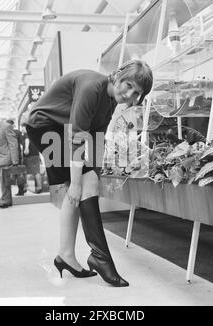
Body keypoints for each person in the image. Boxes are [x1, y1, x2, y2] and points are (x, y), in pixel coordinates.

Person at [26, 60, 153, 287]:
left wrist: (94, 171)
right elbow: (77, 135)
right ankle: (99, 257)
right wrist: (76, 182)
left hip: (63, 129)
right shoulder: (91, 88)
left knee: (89, 182)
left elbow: (97, 134)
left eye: (137, 92)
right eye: (129, 85)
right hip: (45, 125)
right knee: (77, 187)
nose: (130, 94)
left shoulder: (111, 99)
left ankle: (67, 255)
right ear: (118, 75)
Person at [0, 108, 19, 208]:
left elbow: (13, 143)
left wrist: (15, 160)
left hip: (6, 157)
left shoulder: (6, 126)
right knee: (3, 180)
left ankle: (5, 200)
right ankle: (7, 200)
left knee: (5, 181)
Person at [6, 119, 26, 196]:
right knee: (18, 173)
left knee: (17, 173)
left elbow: (22, 143)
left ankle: (21, 190)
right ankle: (21, 189)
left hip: (13, 155)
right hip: (16, 155)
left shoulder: (15, 132)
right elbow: (22, 143)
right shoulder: (17, 132)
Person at [21, 123, 42, 194]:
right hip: (36, 154)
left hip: (29, 155)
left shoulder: (26, 135)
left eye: (23, 127)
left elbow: (27, 140)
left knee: (26, 171)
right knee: (37, 171)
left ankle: (26, 187)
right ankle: (39, 187)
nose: (22, 129)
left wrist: (26, 148)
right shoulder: (34, 134)